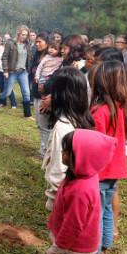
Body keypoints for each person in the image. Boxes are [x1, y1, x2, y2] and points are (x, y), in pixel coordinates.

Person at [88, 61, 127, 254]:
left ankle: (93, 253)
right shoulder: (121, 107)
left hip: (99, 171)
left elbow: (93, 145)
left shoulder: (98, 111)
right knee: (106, 209)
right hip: (115, 170)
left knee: (95, 214)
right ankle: (105, 250)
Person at [43, 67, 95, 212]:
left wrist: (54, 200)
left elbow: (58, 170)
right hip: (79, 196)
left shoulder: (62, 127)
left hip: (65, 200)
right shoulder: (85, 120)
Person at [0, 26, 32, 117]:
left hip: (23, 72)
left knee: (26, 93)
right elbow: (4, 57)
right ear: (18, 34)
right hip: (12, 72)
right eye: (23, 34)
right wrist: (5, 71)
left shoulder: (27, 45)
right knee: (7, 92)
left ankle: (28, 115)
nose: (24, 36)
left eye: (26, 35)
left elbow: (28, 58)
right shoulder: (11, 43)